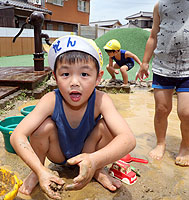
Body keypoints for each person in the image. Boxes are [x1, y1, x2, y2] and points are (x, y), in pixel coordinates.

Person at [10, 35, 136, 199]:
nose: (74, 82)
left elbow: (128, 139)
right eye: (65, 74)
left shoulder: (101, 100)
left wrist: (95, 160)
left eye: (84, 74)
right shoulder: (50, 100)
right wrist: (41, 170)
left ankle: (97, 170)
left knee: (108, 127)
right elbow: (17, 135)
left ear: (98, 77)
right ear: (55, 77)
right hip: (58, 153)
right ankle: (37, 171)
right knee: (42, 127)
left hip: (89, 152)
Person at [136, 0, 189, 167]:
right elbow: (153, 35)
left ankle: (185, 147)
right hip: (163, 66)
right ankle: (160, 143)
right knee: (161, 109)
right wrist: (145, 62)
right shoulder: (160, 6)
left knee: (188, 113)